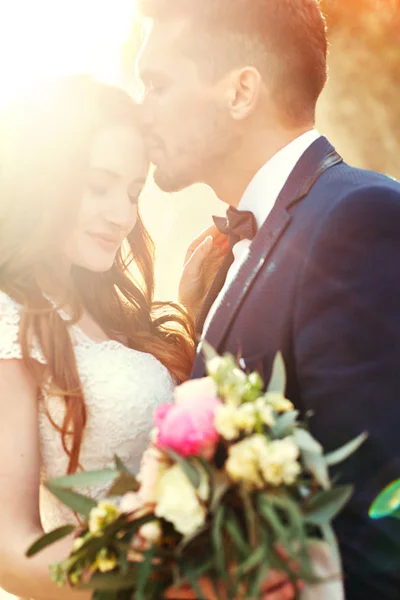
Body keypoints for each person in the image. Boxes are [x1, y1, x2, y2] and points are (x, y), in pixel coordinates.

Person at [137, 1, 400, 598]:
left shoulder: (354, 219)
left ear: (240, 92)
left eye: (157, 84)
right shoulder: (246, 250)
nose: (141, 110)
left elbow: (381, 513)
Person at [0, 74, 225, 600]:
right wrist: (164, 584)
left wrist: (190, 314)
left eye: (131, 193)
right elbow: (10, 549)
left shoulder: (100, 305)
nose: (122, 216)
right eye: (97, 187)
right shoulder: (11, 319)